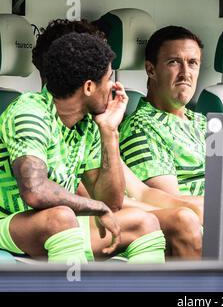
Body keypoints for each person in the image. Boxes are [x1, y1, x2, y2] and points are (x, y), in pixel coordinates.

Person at [31, 19, 202, 259]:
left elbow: (139, 193)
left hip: (89, 221)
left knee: (184, 217)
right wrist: (183, 213)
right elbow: (101, 203)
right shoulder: (35, 115)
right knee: (180, 221)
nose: (109, 80)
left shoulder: (87, 124)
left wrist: (195, 208)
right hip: (52, 227)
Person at [0, 32, 166, 263]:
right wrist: (96, 207)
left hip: (54, 225)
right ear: (89, 87)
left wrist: (110, 132)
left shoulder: (88, 124)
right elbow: (34, 190)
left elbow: (112, 203)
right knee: (61, 217)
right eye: (108, 78)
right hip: (8, 223)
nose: (115, 86)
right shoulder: (30, 111)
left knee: (144, 223)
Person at [119, 26, 206, 200]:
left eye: (192, 63)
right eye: (174, 62)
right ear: (151, 70)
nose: (186, 73)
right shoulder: (141, 126)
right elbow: (169, 204)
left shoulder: (202, 121)